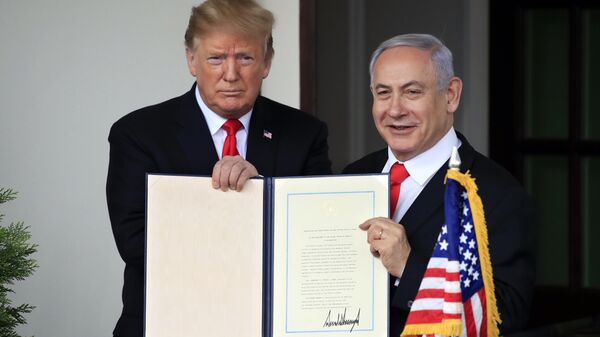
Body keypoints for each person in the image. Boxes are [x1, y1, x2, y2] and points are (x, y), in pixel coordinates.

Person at [106, 0, 331, 335]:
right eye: (216, 58)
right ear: (191, 60)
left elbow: (317, 239)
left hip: (269, 325)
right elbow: (138, 244)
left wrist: (261, 189)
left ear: (267, 62)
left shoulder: (305, 133)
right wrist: (242, 209)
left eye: (245, 58)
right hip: (168, 324)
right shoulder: (138, 134)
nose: (230, 74)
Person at [343, 34, 534, 336]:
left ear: (451, 95)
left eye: (412, 92)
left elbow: (507, 313)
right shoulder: (352, 176)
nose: (394, 110)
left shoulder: (496, 193)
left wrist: (408, 266)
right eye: (383, 93)